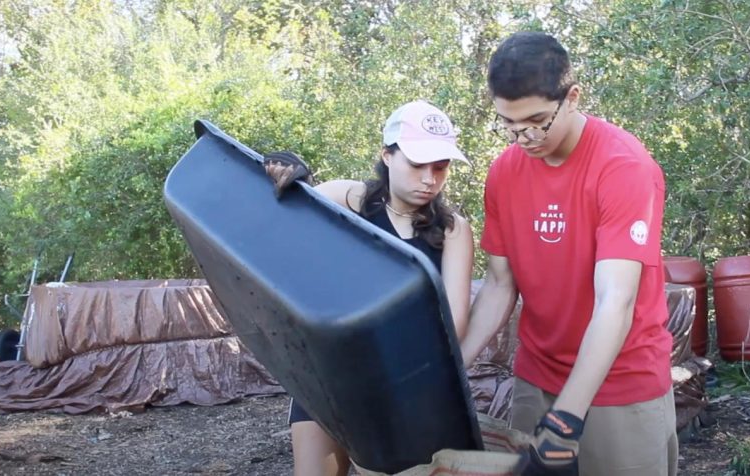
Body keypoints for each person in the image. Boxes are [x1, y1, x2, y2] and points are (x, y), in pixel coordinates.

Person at [459, 32, 677, 476]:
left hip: (622, 384)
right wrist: (452, 368)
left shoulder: (622, 167)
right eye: (509, 124)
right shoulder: (504, 173)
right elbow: (501, 285)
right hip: (536, 377)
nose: (525, 137)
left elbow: (614, 301)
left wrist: (566, 418)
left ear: (572, 97)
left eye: (538, 121)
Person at [264, 100, 475, 476]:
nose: (430, 178)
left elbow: (454, 322)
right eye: (417, 164)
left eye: (440, 167)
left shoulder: (452, 230)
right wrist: (284, 171)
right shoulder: (350, 200)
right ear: (387, 156)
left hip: (405, 385)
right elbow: (280, 218)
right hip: (330, 377)